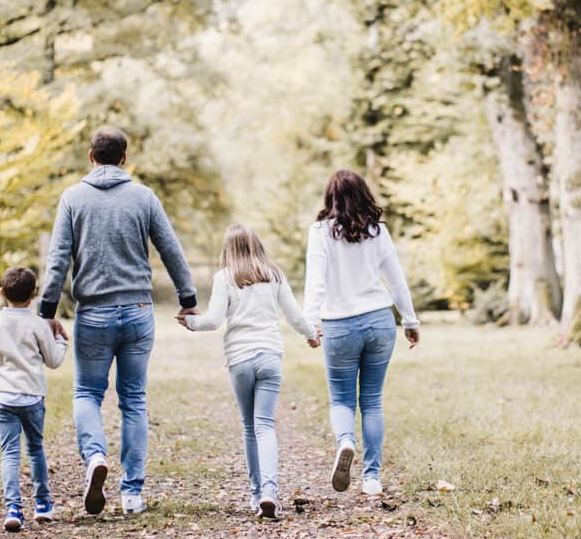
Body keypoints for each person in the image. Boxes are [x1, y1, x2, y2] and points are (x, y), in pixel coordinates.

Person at [38, 127, 198, 516]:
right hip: (138, 311)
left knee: (87, 393)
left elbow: (58, 258)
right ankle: (132, 493)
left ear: (91, 156)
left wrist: (46, 311)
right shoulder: (144, 197)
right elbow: (171, 249)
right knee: (134, 399)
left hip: (93, 312)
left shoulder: (73, 197)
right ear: (124, 159)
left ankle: (95, 456)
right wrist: (188, 299)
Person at [180, 224, 320, 519]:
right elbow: (294, 315)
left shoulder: (224, 277)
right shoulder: (274, 274)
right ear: (257, 245)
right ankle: (269, 492)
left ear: (228, 249)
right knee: (265, 425)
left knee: (249, 427)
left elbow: (213, 321)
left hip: (240, 359)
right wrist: (311, 334)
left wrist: (190, 321)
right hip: (269, 356)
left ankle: (256, 495)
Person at [303, 170, 420, 497]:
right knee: (371, 401)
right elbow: (396, 281)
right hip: (380, 321)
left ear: (330, 197)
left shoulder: (320, 232)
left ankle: (346, 441)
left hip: (339, 325)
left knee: (341, 398)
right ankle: (371, 478)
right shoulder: (377, 230)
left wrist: (310, 323)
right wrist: (410, 320)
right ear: (363, 194)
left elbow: (315, 283)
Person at [0, 266, 68, 532]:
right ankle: (42, 504)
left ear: (2, 292)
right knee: (36, 449)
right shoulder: (38, 324)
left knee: (9, 453)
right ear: (34, 294)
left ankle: (13, 509)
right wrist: (61, 342)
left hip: (3, 398)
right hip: (32, 397)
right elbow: (53, 361)